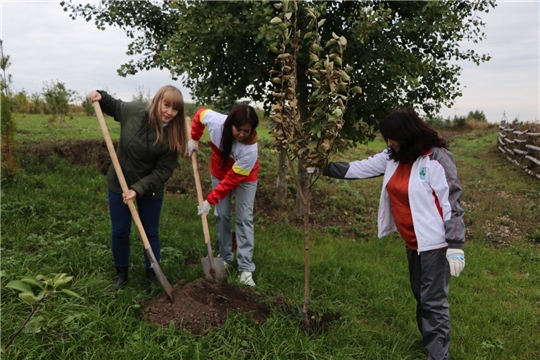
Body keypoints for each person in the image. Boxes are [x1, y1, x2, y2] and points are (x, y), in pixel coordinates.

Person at [322, 108, 465, 360]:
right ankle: (430, 341)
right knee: (421, 296)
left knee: (433, 301)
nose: (389, 142)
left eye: (393, 137)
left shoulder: (436, 159)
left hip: (435, 244)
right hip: (412, 241)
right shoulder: (393, 156)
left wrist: (454, 243)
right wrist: (323, 167)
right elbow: (360, 168)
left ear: (408, 134)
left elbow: (451, 202)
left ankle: (439, 355)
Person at [87, 85, 188, 291]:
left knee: (150, 233)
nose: (169, 112)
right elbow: (114, 106)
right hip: (119, 183)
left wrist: (137, 189)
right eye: (166, 105)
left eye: (174, 109)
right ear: (157, 100)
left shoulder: (174, 136)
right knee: (120, 231)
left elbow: (162, 172)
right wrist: (101, 96)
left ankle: (152, 276)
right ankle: (121, 275)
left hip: (149, 190)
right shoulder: (134, 111)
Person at [188, 105, 259, 286]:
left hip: (245, 176)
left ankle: (245, 268)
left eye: (247, 131)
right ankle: (225, 257)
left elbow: (232, 180)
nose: (242, 134)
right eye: (238, 129)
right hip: (219, 171)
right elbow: (199, 114)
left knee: (244, 218)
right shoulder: (217, 122)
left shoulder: (250, 149)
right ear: (230, 124)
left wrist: (210, 199)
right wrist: (194, 138)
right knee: (222, 215)